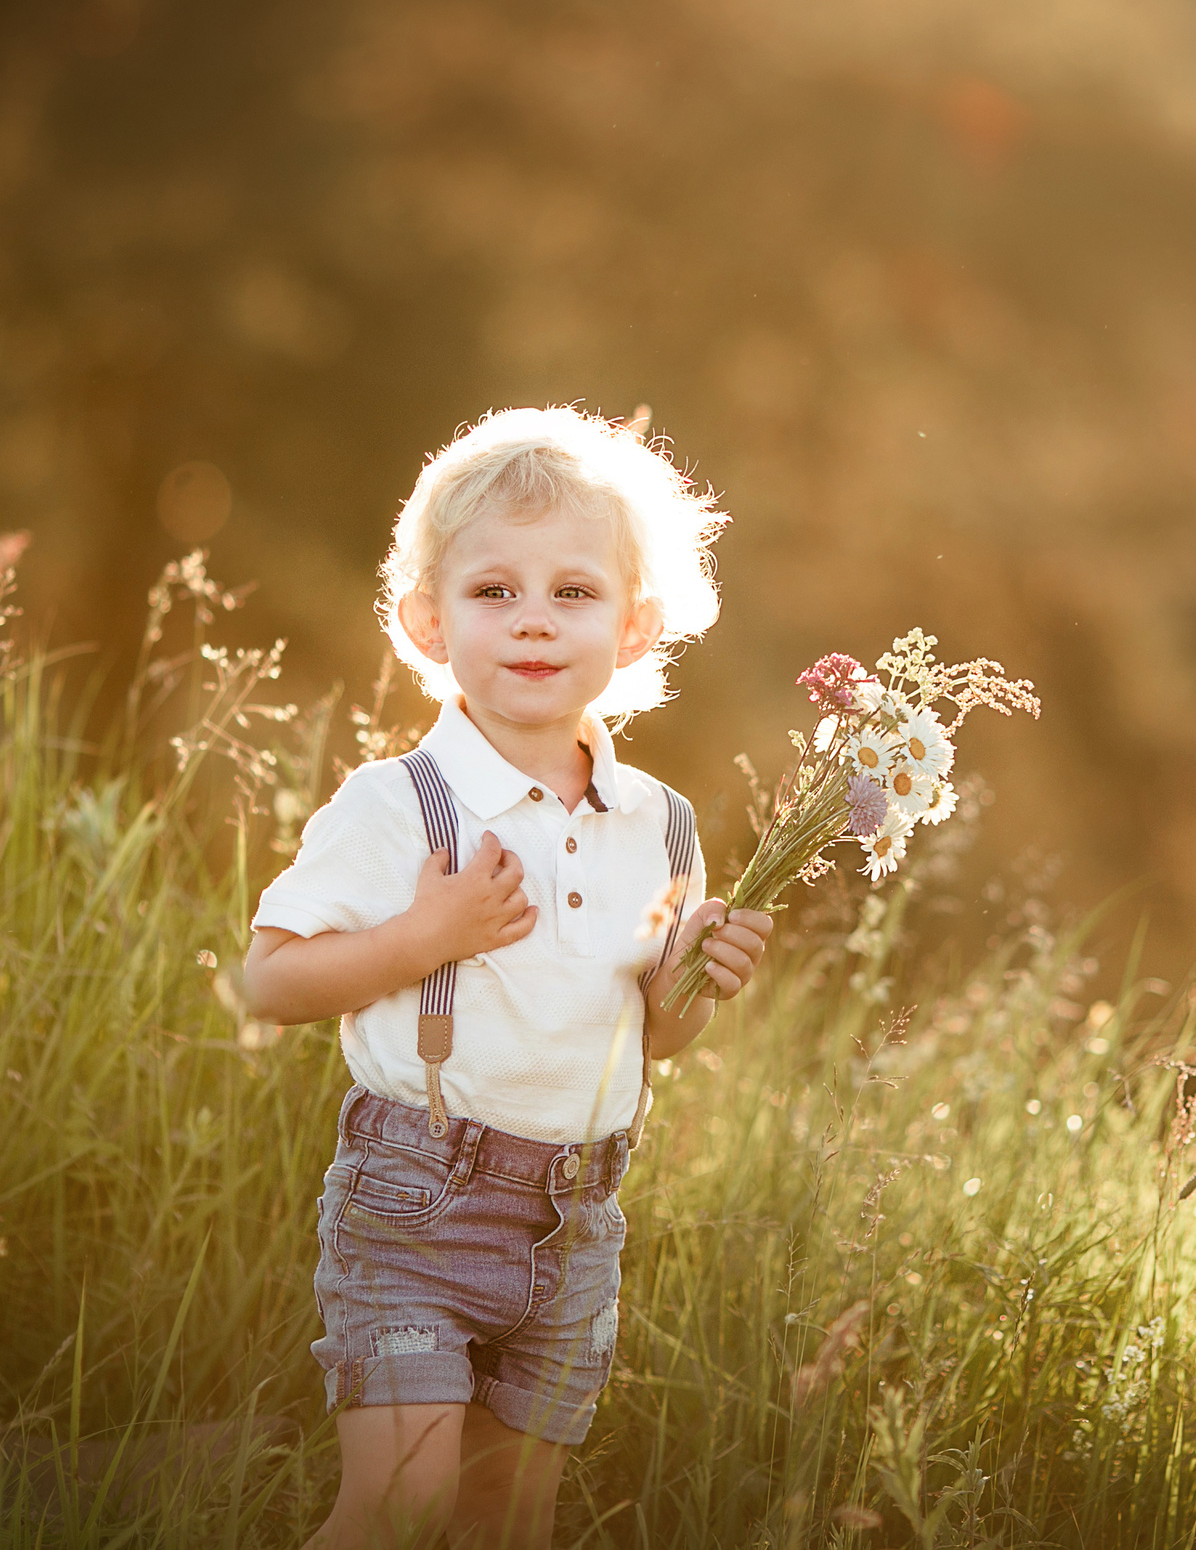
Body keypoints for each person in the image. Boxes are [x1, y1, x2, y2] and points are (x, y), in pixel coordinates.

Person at [241, 406, 773, 1550]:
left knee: (505, 1515)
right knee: (401, 1503)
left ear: (635, 627)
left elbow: (653, 1038)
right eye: (494, 592)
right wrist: (420, 940)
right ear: (428, 622)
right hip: (416, 1199)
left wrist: (698, 981)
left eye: (573, 593)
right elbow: (268, 981)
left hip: (577, 1218)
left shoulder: (660, 822)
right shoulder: (398, 806)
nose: (534, 621)